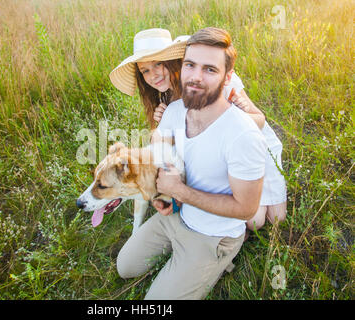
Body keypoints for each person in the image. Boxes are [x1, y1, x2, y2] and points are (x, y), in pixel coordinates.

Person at [109, 27, 268, 299]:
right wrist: (162, 196)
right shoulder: (172, 110)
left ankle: (217, 261)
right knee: (125, 267)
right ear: (181, 68)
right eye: (190, 65)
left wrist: (180, 192)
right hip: (176, 216)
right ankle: (181, 257)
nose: (195, 76)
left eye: (209, 69)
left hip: (212, 235)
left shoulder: (243, 134)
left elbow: (245, 209)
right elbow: (157, 153)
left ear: (227, 77)